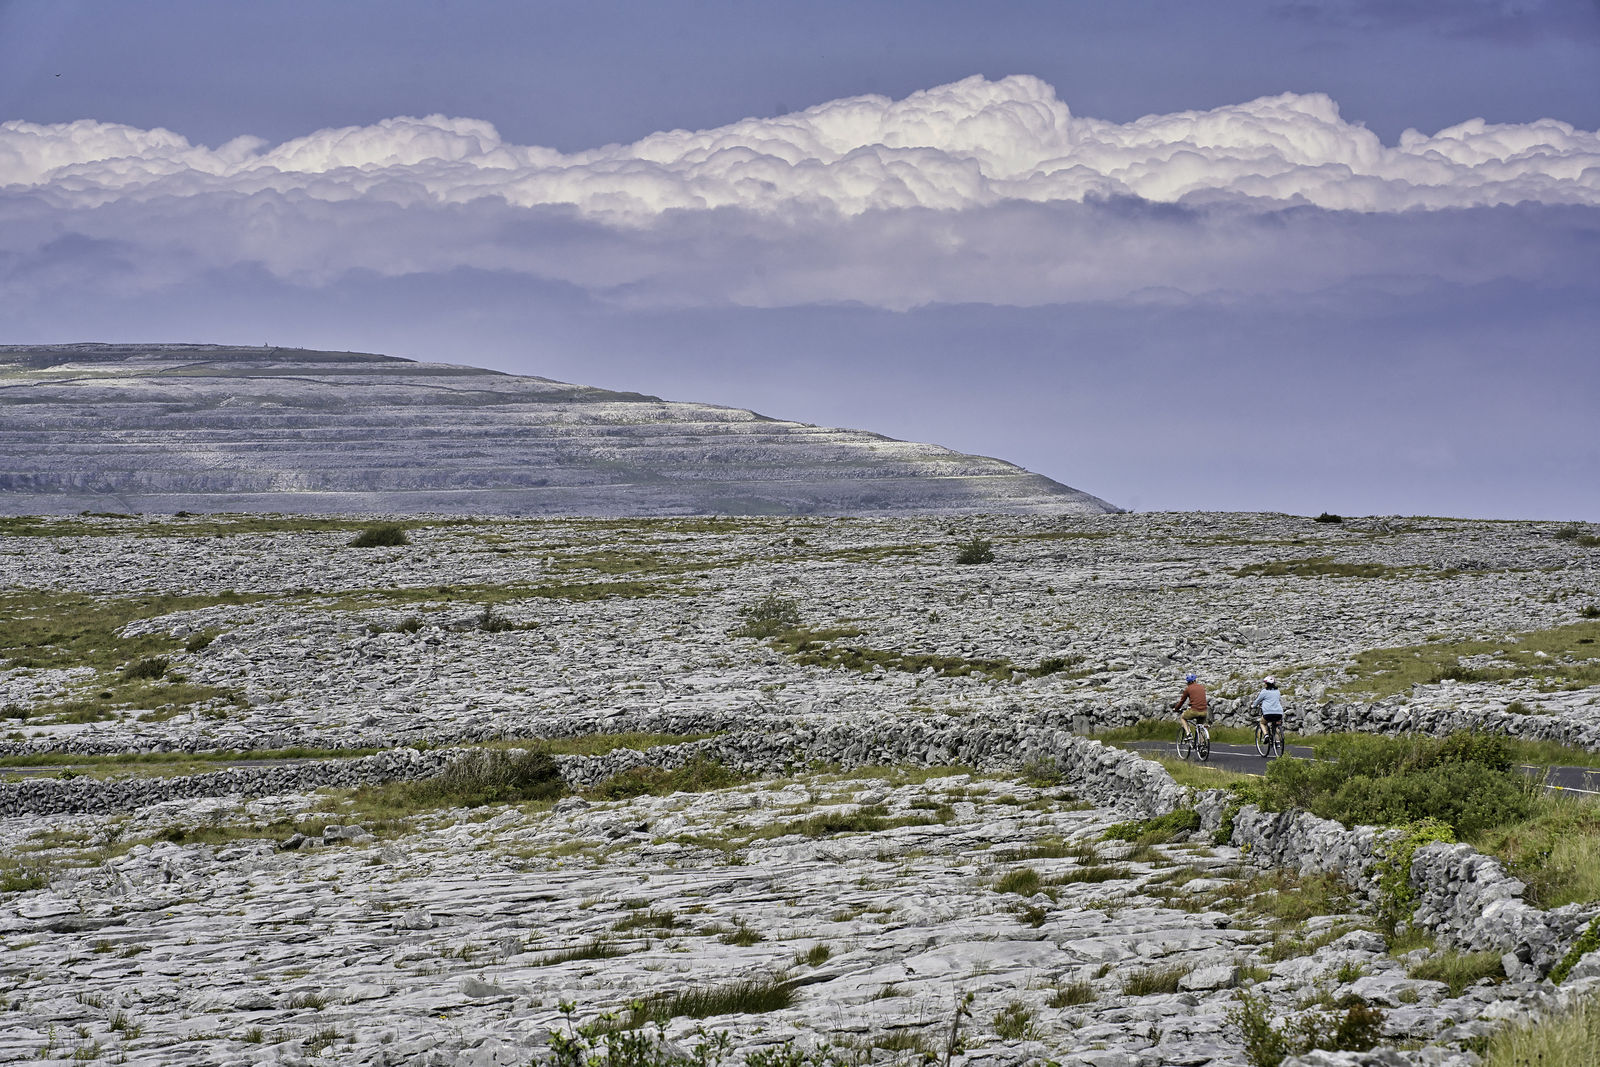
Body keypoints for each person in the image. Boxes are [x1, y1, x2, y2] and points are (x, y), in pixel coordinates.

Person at [1172, 671, 1207, 739]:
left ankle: (1188, 734)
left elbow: (1182, 701)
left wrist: (1176, 709)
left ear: (1187, 682)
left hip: (1194, 711)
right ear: (1195, 680)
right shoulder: (1202, 687)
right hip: (1204, 711)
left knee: (1183, 717)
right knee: (1199, 727)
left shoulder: (1188, 689)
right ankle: (1202, 745)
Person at [1250, 676, 1286, 742]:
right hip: (1279, 713)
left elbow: (1258, 700)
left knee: (1262, 723)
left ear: (1266, 684)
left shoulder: (1264, 691)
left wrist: (1253, 706)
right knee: (1275, 725)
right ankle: (1277, 742)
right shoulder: (1277, 691)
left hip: (1268, 713)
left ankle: (1266, 735)